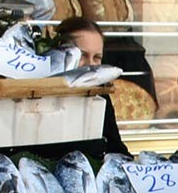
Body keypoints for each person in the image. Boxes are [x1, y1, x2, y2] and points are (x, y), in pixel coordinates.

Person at [54, 16, 126, 152]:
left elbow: (116, 148)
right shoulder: (38, 95)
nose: (90, 65)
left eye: (97, 58)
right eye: (82, 56)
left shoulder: (100, 96)